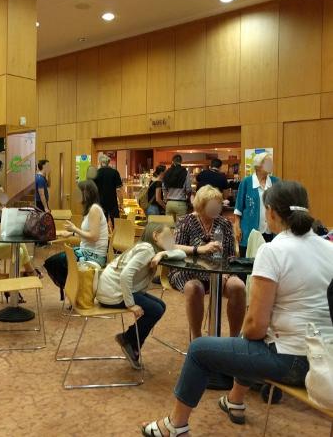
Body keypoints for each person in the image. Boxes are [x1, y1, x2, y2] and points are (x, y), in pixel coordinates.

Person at [141, 180, 333, 437]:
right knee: (248, 338)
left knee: (200, 350)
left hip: (291, 362)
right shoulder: (329, 249)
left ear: (271, 212)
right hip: (325, 360)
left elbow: (255, 327)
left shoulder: (273, 251)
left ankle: (175, 425)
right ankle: (235, 400)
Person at [97, 223, 182, 370]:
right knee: (156, 309)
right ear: (155, 236)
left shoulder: (153, 249)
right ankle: (129, 341)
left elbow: (181, 253)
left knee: (161, 306)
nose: (171, 240)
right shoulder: (147, 250)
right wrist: (130, 304)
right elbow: (125, 275)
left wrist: (162, 254)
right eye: (168, 236)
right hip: (113, 293)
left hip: (117, 290)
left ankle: (130, 341)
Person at [170, 185, 246, 339]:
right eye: (212, 204)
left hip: (219, 272)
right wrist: (200, 249)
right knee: (194, 288)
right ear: (201, 205)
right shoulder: (186, 221)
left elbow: (231, 256)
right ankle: (197, 339)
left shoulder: (224, 223)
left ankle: (234, 340)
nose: (216, 208)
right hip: (188, 271)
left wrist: (226, 273)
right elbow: (173, 247)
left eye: (218, 204)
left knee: (238, 286)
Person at [43, 180, 109, 299]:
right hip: (87, 252)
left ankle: (75, 290)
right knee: (54, 262)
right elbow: (88, 234)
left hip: (94, 256)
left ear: (86, 193)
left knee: (55, 263)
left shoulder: (94, 209)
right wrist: (71, 233)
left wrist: (75, 229)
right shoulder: (90, 210)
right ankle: (75, 290)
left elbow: (94, 237)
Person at [234, 152, 279, 257]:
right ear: (258, 166)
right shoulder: (247, 182)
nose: (271, 165)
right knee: (247, 261)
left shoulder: (276, 182)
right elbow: (238, 208)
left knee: (268, 260)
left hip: (270, 230)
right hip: (249, 230)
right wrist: (237, 227)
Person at [94, 154, 123, 228]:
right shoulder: (115, 172)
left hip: (100, 203)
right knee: (117, 225)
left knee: (102, 226)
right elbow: (118, 190)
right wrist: (121, 203)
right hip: (113, 203)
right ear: (108, 162)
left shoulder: (96, 173)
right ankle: (116, 235)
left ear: (100, 163)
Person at [163, 155, 192, 222]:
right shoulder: (185, 172)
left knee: (169, 226)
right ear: (181, 161)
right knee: (180, 226)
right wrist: (188, 199)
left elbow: (164, 187)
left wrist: (165, 199)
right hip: (180, 203)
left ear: (172, 161)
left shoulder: (167, 172)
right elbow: (188, 189)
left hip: (169, 203)